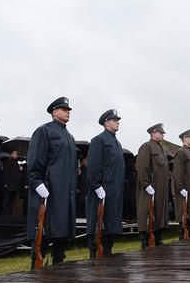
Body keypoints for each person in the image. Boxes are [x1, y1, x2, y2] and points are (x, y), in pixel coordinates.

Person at [26, 97, 77, 268]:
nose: (68, 111)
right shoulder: (44, 131)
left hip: (64, 193)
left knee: (61, 235)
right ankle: (36, 268)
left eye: (68, 109)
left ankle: (59, 266)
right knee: (43, 235)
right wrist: (37, 181)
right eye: (64, 109)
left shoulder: (69, 136)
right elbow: (35, 159)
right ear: (55, 112)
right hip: (49, 191)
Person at [86, 109, 125, 257]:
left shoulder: (116, 142)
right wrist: (97, 185)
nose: (117, 122)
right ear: (107, 123)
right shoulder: (99, 140)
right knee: (99, 227)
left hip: (114, 191)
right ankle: (94, 254)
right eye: (115, 120)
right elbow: (94, 165)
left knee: (110, 228)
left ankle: (108, 250)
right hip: (102, 191)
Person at [135, 123, 170, 248]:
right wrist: (146, 184)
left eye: (162, 133)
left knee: (158, 214)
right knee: (147, 214)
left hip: (160, 188)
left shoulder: (161, 149)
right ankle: (145, 242)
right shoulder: (147, 146)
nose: (162, 135)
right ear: (153, 133)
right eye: (160, 133)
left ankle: (158, 239)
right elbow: (142, 166)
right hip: (149, 188)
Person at [171, 129, 190, 239]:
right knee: (184, 218)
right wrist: (180, 188)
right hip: (185, 190)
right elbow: (177, 173)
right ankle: (182, 239)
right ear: (184, 139)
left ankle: (188, 236)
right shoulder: (181, 152)